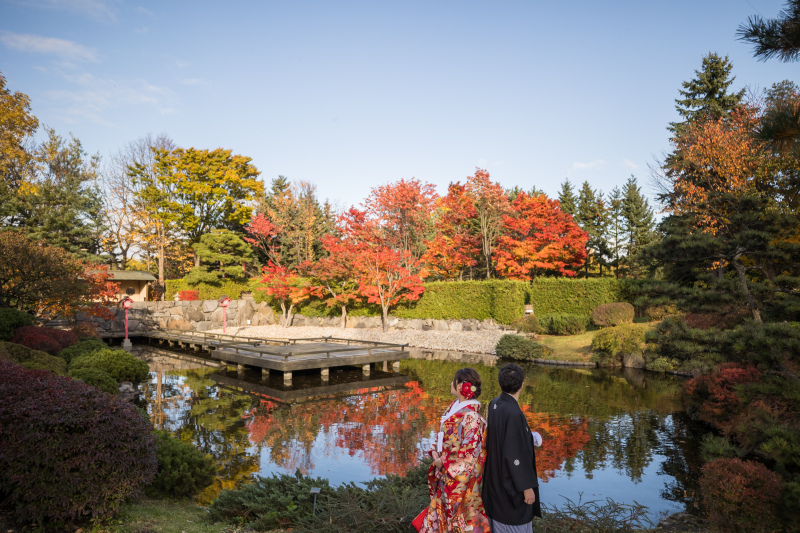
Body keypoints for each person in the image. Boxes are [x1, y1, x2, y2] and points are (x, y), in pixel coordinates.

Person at [420, 368, 491, 533]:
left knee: (458, 521)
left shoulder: (473, 417)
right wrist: (435, 450)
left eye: (453, 380)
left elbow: (469, 453)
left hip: (458, 478)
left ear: (460, 386)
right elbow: (442, 435)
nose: (450, 383)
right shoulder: (455, 407)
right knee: (443, 518)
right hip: (445, 471)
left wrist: (442, 462)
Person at [482, 363, 542, 532]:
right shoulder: (514, 413)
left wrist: (529, 437)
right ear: (522, 385)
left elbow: (504, 437)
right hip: (509, 490)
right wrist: (526, 487)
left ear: (500, 383)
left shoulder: (495, 404)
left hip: (495, 482)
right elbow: (514, 453)